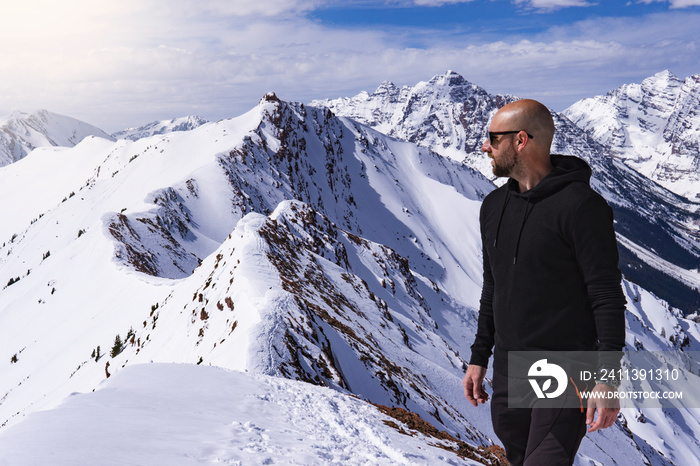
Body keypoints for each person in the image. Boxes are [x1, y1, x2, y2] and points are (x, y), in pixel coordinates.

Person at [462, 99, 626, 465]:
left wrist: (607, 379)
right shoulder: (492, 206)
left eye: (493, 137)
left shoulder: (583, 207)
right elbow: (494, 288)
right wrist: (479, 358)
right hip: (508, 373)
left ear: (521, 140)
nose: (484, 146)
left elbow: (606, 297)